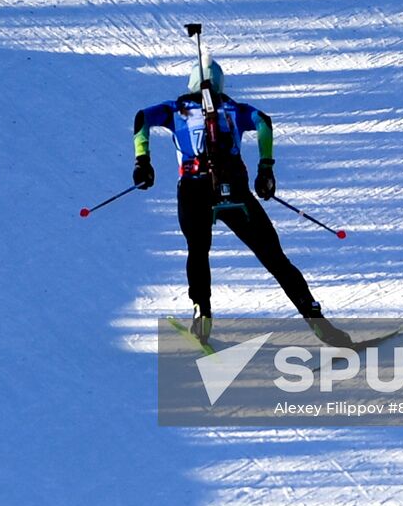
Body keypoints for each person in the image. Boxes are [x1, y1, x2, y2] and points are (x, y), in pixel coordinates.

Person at [133, 54, 353, 346]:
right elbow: (263, 121)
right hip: (234, 190)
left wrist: (142, 161)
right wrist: (266, 168)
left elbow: (141, 118)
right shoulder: (234, 109)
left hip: (194, 189)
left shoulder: (176, 110)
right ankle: (316, 319)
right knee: (274, 257)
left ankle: (202, 314)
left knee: (198, 250)